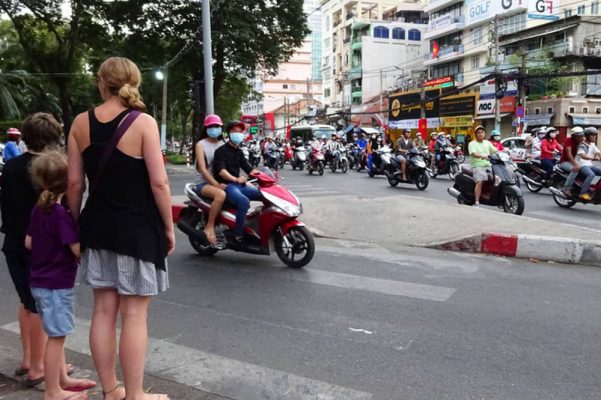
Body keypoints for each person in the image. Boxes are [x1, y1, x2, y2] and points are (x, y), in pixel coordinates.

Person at [67, 57, 173, 400]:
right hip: (137, 230)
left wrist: (74, 227)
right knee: (134, 313)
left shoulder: (80, 123)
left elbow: (74, 185)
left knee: (102, 311)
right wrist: (169, 228)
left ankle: (111, 390)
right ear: (134, 83)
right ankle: (135, 395)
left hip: (97, 229)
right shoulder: (143, 123)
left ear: (101, 82)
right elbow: (159, 184)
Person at [1, 113, 69, 389]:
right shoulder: (50, 169)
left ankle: (30, 359)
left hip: (13, 243)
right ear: (53, 140)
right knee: (42, 306)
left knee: (27, 302)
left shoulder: (11, 166)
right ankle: (40, 367)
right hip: (41, 248)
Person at [26, 151, 96, 400]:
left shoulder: (39, 210)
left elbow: (29, 242)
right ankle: (52, 391)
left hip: (40, 282)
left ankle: (62, 379)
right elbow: (76, 248)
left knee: (56, 333)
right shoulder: (60, 215)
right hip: (57, 285)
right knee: (56, 337)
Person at [213, 121, 260, 244]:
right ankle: (238, 235)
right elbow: (221, 171)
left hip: (239, 186)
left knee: (263, 194)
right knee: (243, 201)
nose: (238, 134)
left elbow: (249, 168)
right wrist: (235, 179)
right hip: (228, 186)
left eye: (240, 132)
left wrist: (265, 177)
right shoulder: (221, 151)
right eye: (235, 132)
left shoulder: (239, 152)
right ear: (228, 133)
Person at [195, 115, 227, 244]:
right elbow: (202, 169)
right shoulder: (201, 145)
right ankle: (210, 227)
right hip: (204, 183)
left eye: (217, 126)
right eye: (212, 126)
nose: (215, 129)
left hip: (220, 181)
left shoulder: (223, 144)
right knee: (220, 195)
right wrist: (217, 184)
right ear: (206, 128)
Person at [468, 126, 497, 206]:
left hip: (489, 165)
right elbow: (473, 153)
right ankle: (477, 201)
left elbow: (495, 150)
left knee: (499, 178)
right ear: (476, 134)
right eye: (478, 133)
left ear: (485, 134)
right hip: (478, 165)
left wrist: (505, 151)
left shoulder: (487, 143)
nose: (480, 134)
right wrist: (482, 156)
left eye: (482, 132)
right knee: (480, 181)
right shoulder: (472, 144)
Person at [576, 127, 601, 201]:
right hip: (581, 165)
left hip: (589, 165)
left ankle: (596, 190)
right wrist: (593, 158)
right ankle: (583, 193)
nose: (594, 137)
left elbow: (598, 153)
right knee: (591, 174)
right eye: (592, 135)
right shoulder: (582, 145)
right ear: (587, 136)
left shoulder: (592, 144)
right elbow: (582, 155)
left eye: (595, 135)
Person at [560, 127, 586, 196]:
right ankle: (566, 188)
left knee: (585, 170)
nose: (580, 137)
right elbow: (569, 153)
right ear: (573, 136)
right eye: (578, 135)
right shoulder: (568, 140)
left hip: (573, 161)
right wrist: (575, 164)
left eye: (581, 135)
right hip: (564, 162)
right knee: (575, 170)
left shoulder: (581, 142)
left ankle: (580, 187)